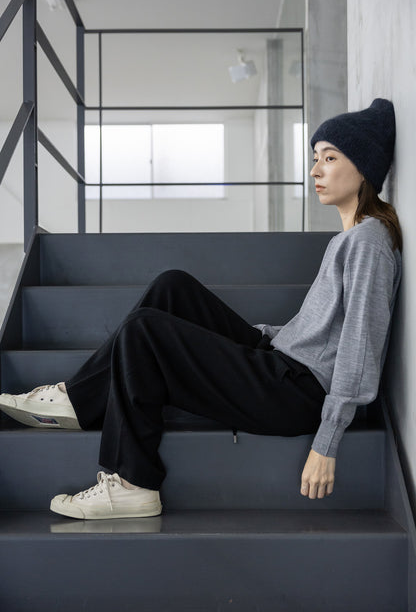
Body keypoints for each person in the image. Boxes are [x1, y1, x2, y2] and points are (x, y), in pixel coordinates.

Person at [0, 98, 402, 519]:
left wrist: (327, 440)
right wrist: (260, 337)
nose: (316, 170)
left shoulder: (369, 243)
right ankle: (79, 400)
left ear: (363, 168)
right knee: (172, 287)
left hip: (300, 393)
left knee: (143, 330)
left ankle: (133, 484)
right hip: (283, 362)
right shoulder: (350, 239)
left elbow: (360, 347)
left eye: (330, 158)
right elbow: (320, 331)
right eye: (315, 157)